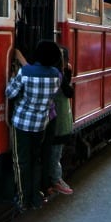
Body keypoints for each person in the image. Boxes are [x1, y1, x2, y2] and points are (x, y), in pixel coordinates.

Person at [6, 39, 62, 212]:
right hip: (40, 125)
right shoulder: (55, 75)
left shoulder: (25, 72)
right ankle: (36, 198)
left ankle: (23, 199)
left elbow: (9, 93)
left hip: (21, 123)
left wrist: (13, 75)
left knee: (20, 161)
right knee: (35, 160)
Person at [48, 47, 74, 196]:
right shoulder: (57, 76)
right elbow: (69, 91)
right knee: (55, 153)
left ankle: (51, 180)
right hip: (59, 121)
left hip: (55, 119)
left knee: (53, 151)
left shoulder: (55, 74)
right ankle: (56, 180)